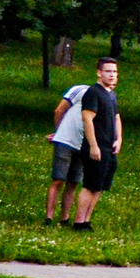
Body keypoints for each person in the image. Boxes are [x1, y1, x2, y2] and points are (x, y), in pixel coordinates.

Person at [72, 56, 122, 232]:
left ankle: (87, 220)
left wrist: (119, 139)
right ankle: (79, 222)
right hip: (96, 147)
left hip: (110, 148)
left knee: (100, 186)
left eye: (115, 72)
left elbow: (117, 117)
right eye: (108, 71)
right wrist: (94, 145)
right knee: (90, 184)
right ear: (99, 72)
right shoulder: (93, 92)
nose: (112, 75)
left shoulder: (111, 94)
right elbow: (87, 118)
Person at [44, 77, 91, 224]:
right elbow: (59, 110)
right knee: (58, 179)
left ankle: (65, 218)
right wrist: (59, 132)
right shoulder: (81, 90)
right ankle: (49, 217)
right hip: (65, 141)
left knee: (73, 182)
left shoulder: (106, 98)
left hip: (83, 145)